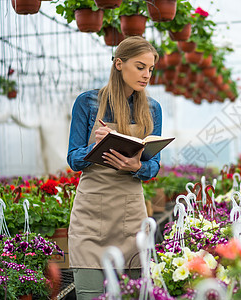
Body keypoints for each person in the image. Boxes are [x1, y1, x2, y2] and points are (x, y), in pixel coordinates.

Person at [66, 36, 161, 299]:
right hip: (91, 214)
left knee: (134, 294)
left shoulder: (152, 109)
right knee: (89, 294)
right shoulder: (88, 103)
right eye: (140, 67)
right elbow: (74, 159)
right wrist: (95, 147)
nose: (146, 75)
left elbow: (153, 165)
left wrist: (136, 166)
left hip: (131, 215)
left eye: (150, 69)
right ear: (119, 64)